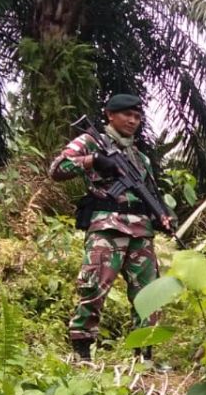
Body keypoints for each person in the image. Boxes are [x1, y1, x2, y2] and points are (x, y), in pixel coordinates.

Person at [49, 93, 172, 361]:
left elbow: (150, 192)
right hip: (108, 228)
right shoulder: (91, 141)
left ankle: (145, 356)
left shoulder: (141, 158)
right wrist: (92, 161)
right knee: (94, 288)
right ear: (110, 115)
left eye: (138, 117)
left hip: (141, 233)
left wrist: (163, 215)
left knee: (149, 293)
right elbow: (57, 168)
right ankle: (82, 353)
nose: (133, 120)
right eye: (127, 114)